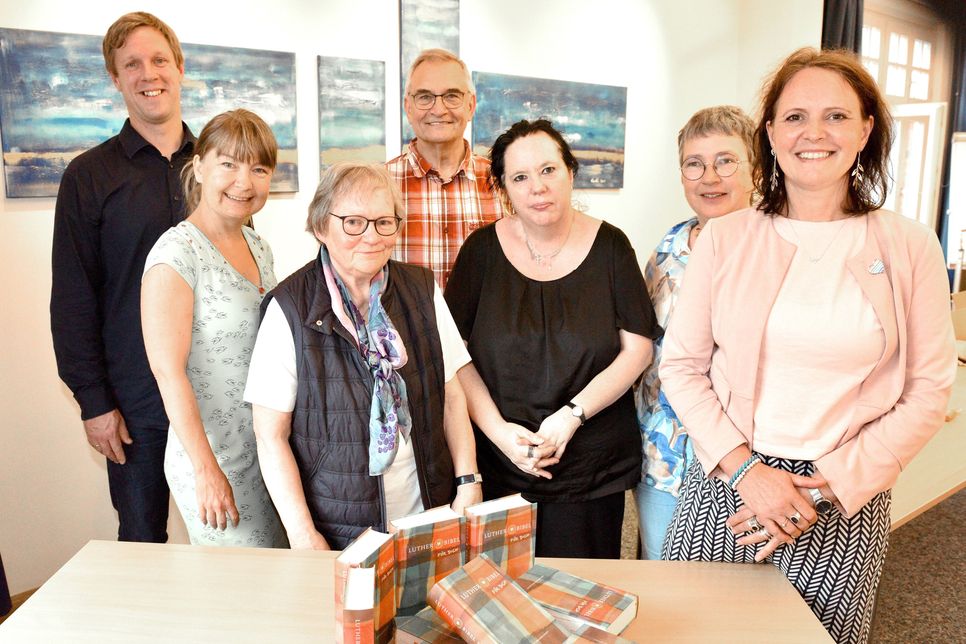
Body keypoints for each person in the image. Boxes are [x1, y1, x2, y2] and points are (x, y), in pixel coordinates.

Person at [659, 48, 956, 644]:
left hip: (842, 499)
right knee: (691, 632)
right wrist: (749, 473)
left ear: (866, 129)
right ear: (769, 132)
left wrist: (830, 481)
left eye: (836, 117)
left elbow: (929, 391)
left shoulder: (911, 246)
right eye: (794, 117)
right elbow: (682, 368)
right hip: (726, 480)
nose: (813, 133)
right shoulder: (725, 238)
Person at [445, 119, 661, 559]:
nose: (537, 188)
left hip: (591, 465)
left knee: (583, 600)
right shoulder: (481, 252)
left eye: (548, 171)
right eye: (520, 177)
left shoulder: (612, 247)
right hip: (502, 462)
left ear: (570, 172)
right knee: (503, 604)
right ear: (504, 189)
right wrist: (501, 434)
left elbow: (637, 349)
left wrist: (571, 417)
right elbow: (454, 355)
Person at [244, 163, 482, 550]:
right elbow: (270, 436)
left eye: (384, 221)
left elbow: (452, 395)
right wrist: (304, 535)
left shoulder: (422, 290)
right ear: (321, 227)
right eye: (353, 222)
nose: (371, 236)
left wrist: (468, 482)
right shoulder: (288, 308)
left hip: (429, 509)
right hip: (338, 523)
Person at [50, 12, 193, 542]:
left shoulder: (217, 164)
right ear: (115, 78)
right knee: (141, 541)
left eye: (159, 60)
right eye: (131, 64)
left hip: (220, 391)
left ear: (179, 68)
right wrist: (94, 402)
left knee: (237, 539)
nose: (147, 73)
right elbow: (72, 299)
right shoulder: (89, 176)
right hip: (136, 401)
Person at [141, 110, 286, 547]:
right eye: (229, 164)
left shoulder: (259, 245)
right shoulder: (175, 255)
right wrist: (206, 471)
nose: (244, 182)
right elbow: (169, 374)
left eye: (258, 169)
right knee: (243, 593)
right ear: (199, 165)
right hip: (214, 459)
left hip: (265, 449)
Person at [634, 106, 756, 560]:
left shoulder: (775, 245)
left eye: (726, 161)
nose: (710, 177)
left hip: (740, 463)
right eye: (694, 163)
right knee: (663, 585)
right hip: (663, 456)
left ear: (756, 168)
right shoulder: (667, 248)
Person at [387, 48, 502, 287]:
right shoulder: (378, 185)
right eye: (425, 97)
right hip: (406, 326)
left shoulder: (505, 184)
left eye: (452, 96)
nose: (439, 109)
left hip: (484, 325)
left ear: (470, 105)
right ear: (408, 107)